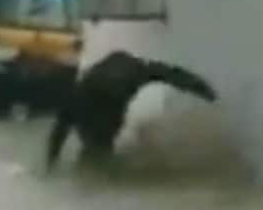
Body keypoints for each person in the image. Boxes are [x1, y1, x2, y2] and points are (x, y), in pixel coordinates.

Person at [46, 50, 217, 171]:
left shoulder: (131, 73)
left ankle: (96, 170)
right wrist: (204, 91)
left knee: (97, 149)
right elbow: (173, 74)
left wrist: (50, 164)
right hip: (105, 97)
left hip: (106, 97)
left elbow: (60, 130)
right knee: (98, 148)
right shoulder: (136, 71)